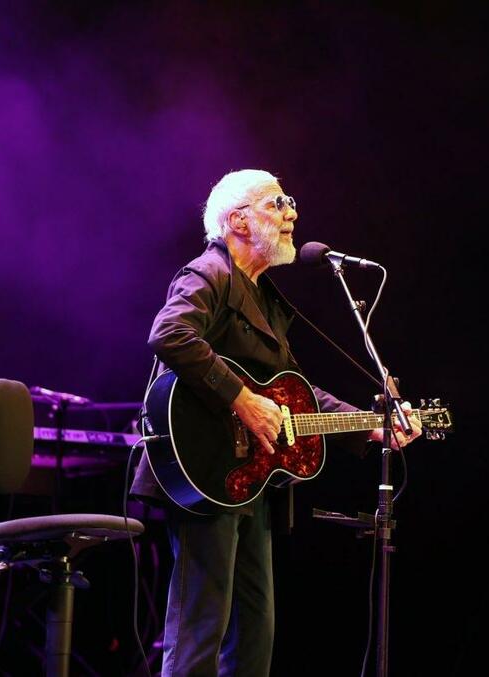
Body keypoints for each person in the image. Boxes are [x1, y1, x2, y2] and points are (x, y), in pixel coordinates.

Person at [130, 169, 421, 677]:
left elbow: (295, 396)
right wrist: (240, 397)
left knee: (255, 627)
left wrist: (371, 424)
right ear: (238, 220)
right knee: (202, 623)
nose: (292, 214)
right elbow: (170, 334)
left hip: (249, 480)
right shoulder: (208, 273)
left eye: (290, 202)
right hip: (206, 467)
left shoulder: (266, 299)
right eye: (277, 203)